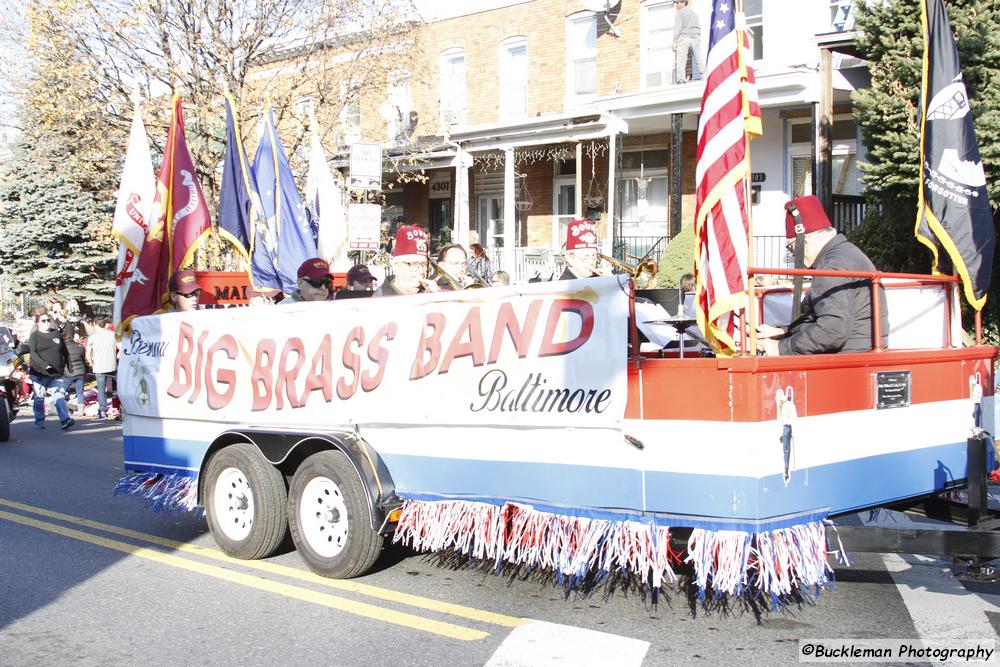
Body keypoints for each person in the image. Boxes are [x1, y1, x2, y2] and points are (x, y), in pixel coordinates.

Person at [756, 195, 889, 356]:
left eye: (792, 248)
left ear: (804, 241)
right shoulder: (846, 254)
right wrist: (783, 331)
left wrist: (780, 348)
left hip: (846, 359)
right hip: (861, 352)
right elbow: (825, 319)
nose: (793, 255)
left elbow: (831, 330)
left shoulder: (832, 266)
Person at [27, 308, 74, 431]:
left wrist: (69, 365)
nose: (47, 322)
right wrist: (44, 364)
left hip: (56, 374)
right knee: (39, 398)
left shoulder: (56, 334)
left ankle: (65, 419)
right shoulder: (34, 336)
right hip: (40, 373)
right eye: (43, 321)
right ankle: (39, 420)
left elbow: (65, 351)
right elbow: (33, 353)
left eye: (48, 320)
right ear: (38, 322)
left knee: (59, 395)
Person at [374, 225, 439, 296]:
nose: (421, 271)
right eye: (413, 264)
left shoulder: (430, 295)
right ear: (396, 266)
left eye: (424, 264)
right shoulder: (379, 301)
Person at [86, 317, 118, 419]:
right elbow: (121, 348)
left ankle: (103, 410)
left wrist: (91, 363)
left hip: (99, 367)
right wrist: (116, 358)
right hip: (112, 365)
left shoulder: (93, 337)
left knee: (101, 389)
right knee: (119, 386)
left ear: (96, 324)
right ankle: (123, 407)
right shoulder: (113, 335)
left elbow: (88, 354)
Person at [674, 0, 703, 83]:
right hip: (695, 38)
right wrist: (697, 37)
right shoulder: (694, 14)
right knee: (699, 60)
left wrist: (675, 41)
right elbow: (698, 27)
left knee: (681, 60)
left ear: (683, 3)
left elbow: (677, 28)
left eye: (677, 2)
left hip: (684, 37)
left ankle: (681, 79)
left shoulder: (679, 12)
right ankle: (705, 76)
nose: (676, 4)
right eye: (675, 3)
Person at [63, 323, 88, 416]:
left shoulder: (63, 347)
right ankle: (81, 410)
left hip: (68, 373)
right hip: (80, 372)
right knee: (80, 391)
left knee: (61, 390)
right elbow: (83, 359)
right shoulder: (80, 347)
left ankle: (60, 406)